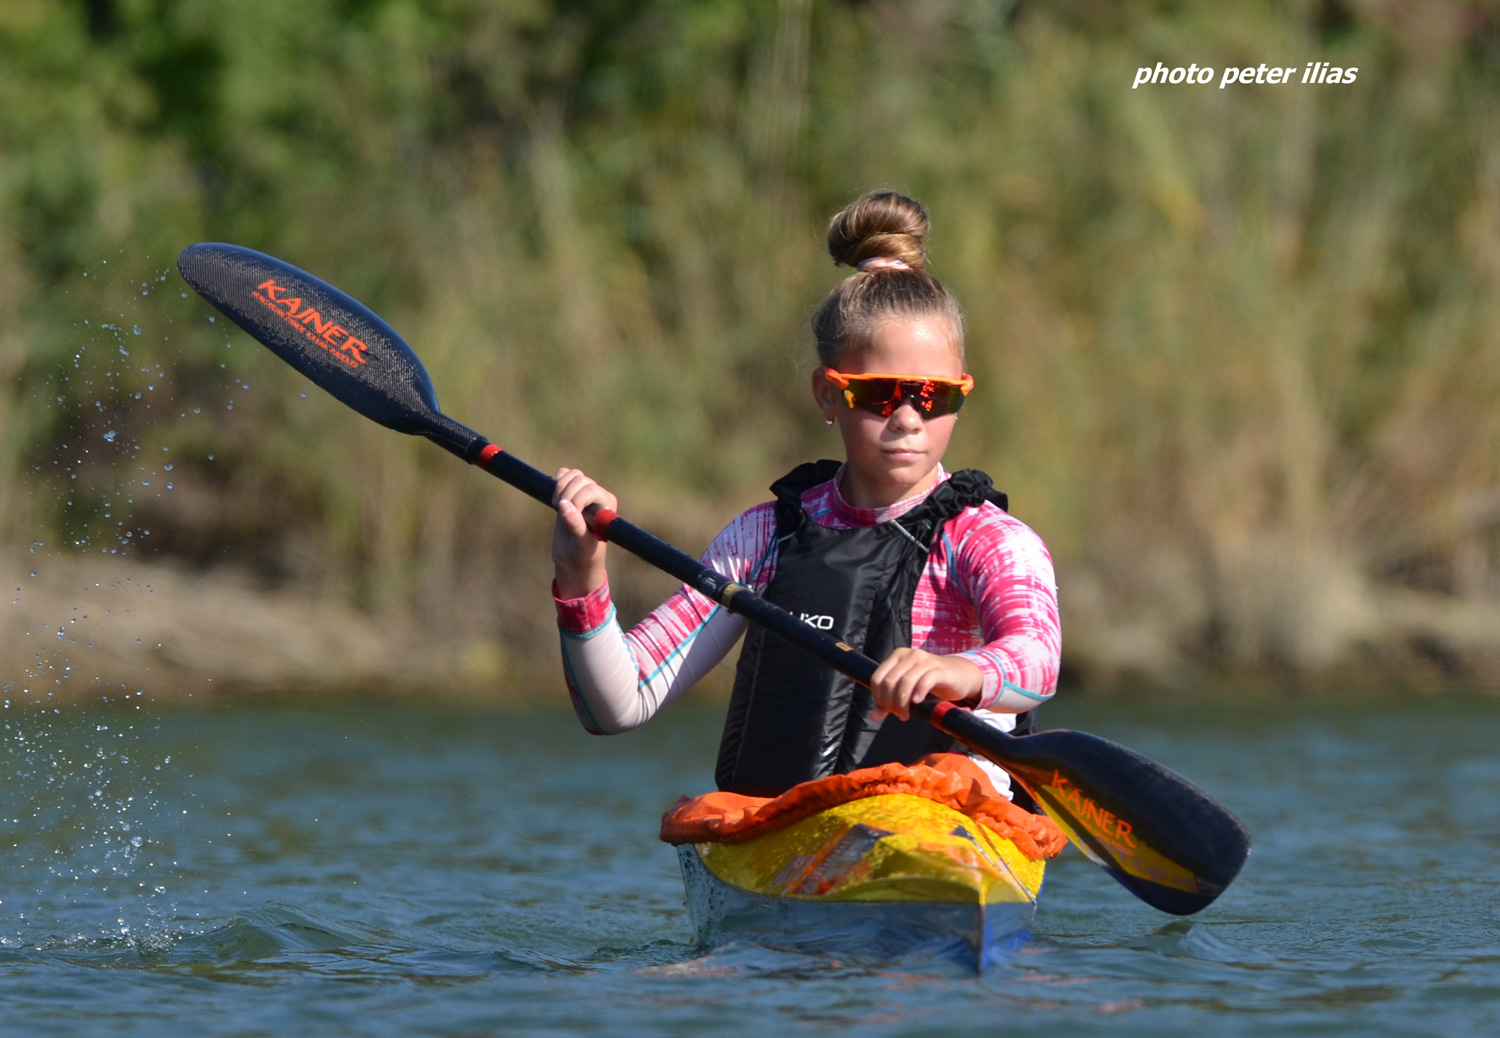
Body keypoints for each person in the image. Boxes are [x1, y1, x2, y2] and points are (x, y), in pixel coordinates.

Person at [549, 191, 1060, 801]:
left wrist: (959, 671)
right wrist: (581, 576)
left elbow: (1038, 660)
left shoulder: (989, 541)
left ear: (960, 394)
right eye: (878, 393)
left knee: (955, 777)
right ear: (827, 393)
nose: (906, 419)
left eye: (932, 396)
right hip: (785, 833)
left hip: (947, 824)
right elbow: (618, 703)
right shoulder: (766, 538)